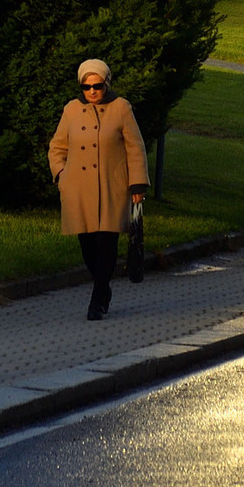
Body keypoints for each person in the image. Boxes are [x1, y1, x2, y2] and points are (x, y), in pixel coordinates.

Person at [49, 59, 150, 321]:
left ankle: (97, 301)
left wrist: (137, 184)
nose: (92, 91)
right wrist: (61, 174)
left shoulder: (121, 108)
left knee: (107, 245)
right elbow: (57, 147)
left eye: (97, 85)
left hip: (112, 188)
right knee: (88, 248)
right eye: (86, 86)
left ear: (106, 83)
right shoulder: (71, 110)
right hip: (78, 190)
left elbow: (135, 147)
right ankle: (103, 288)